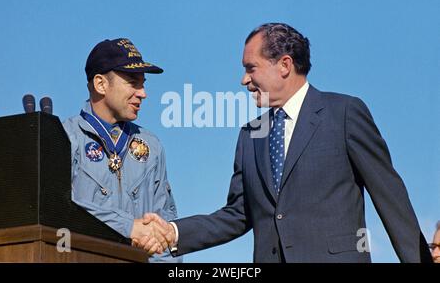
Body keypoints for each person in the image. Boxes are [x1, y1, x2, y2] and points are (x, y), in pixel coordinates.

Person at [137, 23, 432, 263]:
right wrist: (174, 232)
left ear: (284, 65)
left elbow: (391, 198)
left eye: (251, 68)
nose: (243, 80)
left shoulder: (344, 113)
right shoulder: (250, 135)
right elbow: (238, 214)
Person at [63, 38, 182, 262]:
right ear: (100, 84)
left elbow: (165, 229)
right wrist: (129, 227)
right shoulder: (65, 138)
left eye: (143, 83)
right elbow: (61, 210)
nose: (143, 93)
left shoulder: (152, 146)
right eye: (133, 82)